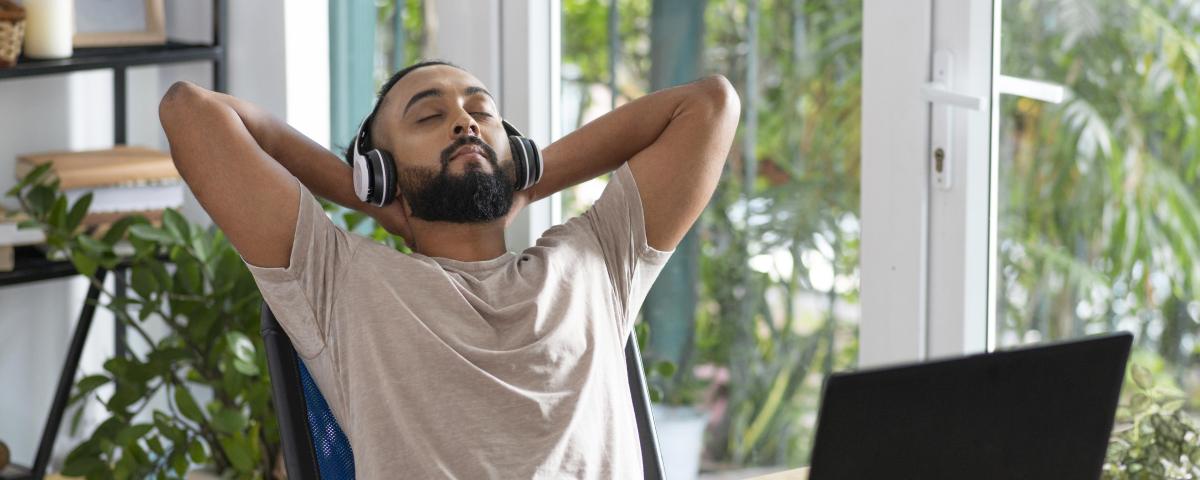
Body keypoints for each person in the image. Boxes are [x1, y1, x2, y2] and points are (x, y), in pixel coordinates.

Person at [158, 60, 739, 479]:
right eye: (429, 116)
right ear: (380, 168)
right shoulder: (341, 281)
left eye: (481, 112)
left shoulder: (596, 259)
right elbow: (192, 111)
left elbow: (710, 104)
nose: (464, 122)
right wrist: (371, 197)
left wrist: (523, 175)